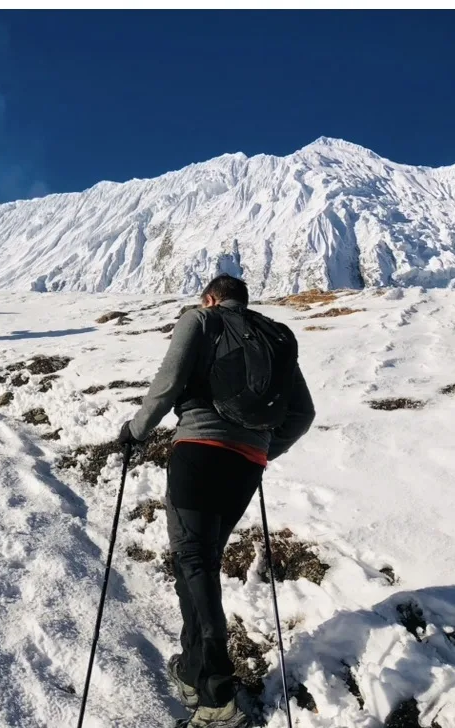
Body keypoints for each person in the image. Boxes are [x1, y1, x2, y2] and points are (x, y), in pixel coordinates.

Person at [118, 274, 315, 728]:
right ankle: (192, 671)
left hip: (199, 454)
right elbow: (303, 414)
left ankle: (215, 698)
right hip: (247, 464)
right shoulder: (276, 335)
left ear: (210, 298)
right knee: (200, 564)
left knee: (194, 563)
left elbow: (167, 386)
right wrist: (262, 447)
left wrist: (135, 431)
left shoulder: (201, 320)